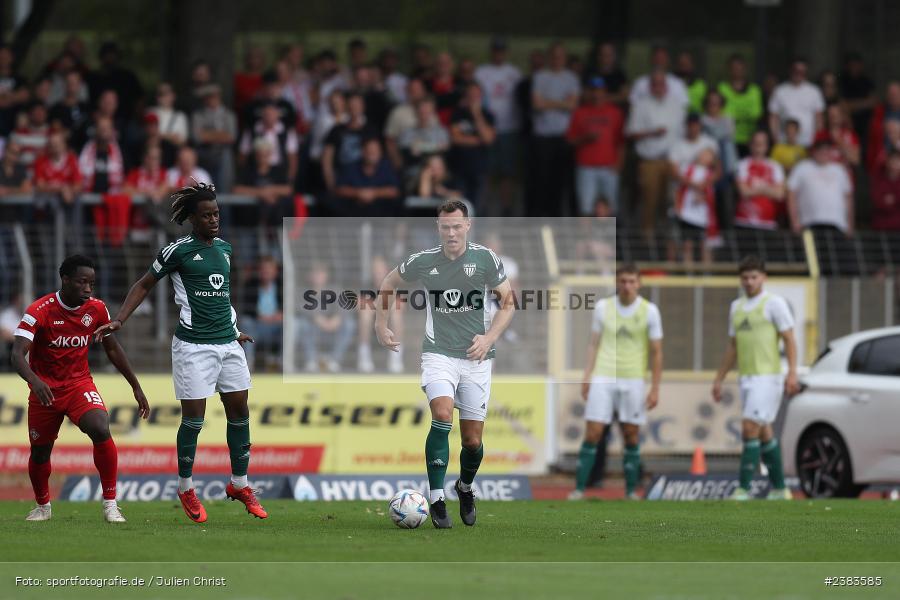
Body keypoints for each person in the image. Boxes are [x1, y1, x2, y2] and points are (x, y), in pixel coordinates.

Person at [94, 182, 265, 523]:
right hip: (193, 347)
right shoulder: (176, 251)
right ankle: (186, 487)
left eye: (216, 213)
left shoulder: (225, 249)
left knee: (240, 412)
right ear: (192, 219)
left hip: (228, 343)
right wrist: (120, 319)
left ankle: (239, 484)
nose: (214, 219)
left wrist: (234, 330)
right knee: (194, 420)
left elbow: (222, 297)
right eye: (207, 215)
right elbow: (143, 284)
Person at [375, 200, 515, 528]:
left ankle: (464, 487)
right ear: (438, 228)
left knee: (472, 442)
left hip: (476, 357)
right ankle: (437, 498)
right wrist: (380, 325)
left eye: (456, 226)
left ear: (468, 226)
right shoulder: (424, 261)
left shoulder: (485, 258)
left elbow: (508, 303)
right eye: (445, 227)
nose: (451, 233)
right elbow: (388, 283)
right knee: (441, 414)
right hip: (438, 354)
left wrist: (489, 338)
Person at [12, 255, 149, 523]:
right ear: (65, 280)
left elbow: (112, 348)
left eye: (92, 284)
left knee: (100, 427)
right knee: (40, 452)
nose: (88, 289)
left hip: (78, 385)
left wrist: (135, 385)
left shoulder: (96, 309)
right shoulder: (39, 310)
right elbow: (17, 355)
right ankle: (42, 507)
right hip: (45, 391)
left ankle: (111, 504)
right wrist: (35, 381)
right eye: (82, 282)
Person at [569, 264, 662, 501]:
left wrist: (655, 388)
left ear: (639, 283)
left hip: (633, 379)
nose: (627, 286)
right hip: (604, 376)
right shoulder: (603, 307)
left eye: (631, 281)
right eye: (623, 281)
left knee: (631, 434)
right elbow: (593, 343)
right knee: (593, 432)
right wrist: (587, 375)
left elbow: (657, 352)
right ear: (617, 283)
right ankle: (579, 489)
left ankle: (630, 491)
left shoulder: (649, 311)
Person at [712, 256, 798, 500]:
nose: (749, 282)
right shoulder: (736, 307)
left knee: (749, 427)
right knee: (764, 432)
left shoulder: (774, 304)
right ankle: (780, 489)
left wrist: (792, 372)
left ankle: (744, 488)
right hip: (747, 378)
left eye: (754, 277)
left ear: (763, 278)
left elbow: (789, 338)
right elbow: (733, 346)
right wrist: (719, 378)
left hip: (767, 377)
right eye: (745, 278)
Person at [626, 69, 687, 233]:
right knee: (649, 201)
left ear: (666, 86)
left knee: (670, 202)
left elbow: (683, 133)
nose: (659, 87)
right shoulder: (640, 105)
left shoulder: (676, 105)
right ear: (650, 86)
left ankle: (668, 239)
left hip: (672, 161)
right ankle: (647, 239)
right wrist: (652, 133)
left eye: (662, 84)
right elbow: (631, 133)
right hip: (650, 161)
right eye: (655, 84)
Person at [531, 42, 580, 216]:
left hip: (563, 136)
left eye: (560, 56)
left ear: (565, 58)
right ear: (549, 57)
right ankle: (542, 217)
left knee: (561, 181)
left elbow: (573, 105)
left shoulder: (572, 78)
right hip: (543, 136)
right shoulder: (540, 76)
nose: (557, 59)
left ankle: (558, 217)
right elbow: (537, 104)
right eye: (554, 56)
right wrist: (562, 102)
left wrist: (547, 102)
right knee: (542, 180)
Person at [565, 76, 624, 216]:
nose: (596, 94)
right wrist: (585, 138)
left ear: (605, 92)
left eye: (599, 90)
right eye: (593, 90)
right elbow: (570, 140)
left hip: (609, 167)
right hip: (586, 167)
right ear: (588, 92)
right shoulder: (579, 112)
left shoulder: (615, 112)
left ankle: (608, 231)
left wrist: (619, 164)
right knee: (586, 208)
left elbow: (621, 141)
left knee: (609, 207)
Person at [475, 37, 522, 213]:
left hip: (510, 128)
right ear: (491, 52)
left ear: (506, 53)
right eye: (496, 50)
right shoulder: (481, 72)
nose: (498, 54)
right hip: (487, 128)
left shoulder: (514, 73)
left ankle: (506, 208)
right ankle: (484, 207)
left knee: (507, 172)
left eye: (501, 51)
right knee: (486, 171)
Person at [786, 140, 854, 236]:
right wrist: (794, 222)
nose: (823, 152)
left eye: (827, 149)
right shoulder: (801, 168)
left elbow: (848, 198)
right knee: (810, 246)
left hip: (837, 224)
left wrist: (850, 224)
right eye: (820, 149)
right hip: (808, 223)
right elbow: (791, 194)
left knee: (835, 246)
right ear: (814, 151)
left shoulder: (839, 170)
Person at [298, 261, 355, 373]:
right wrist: (316, 318)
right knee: (302, 324)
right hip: (313, 329)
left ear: (326, 275)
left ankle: (334, 360)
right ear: (310, 275)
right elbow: (299, 308)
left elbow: (346, 306)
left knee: (349, 324)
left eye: (321, 272)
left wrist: (337, 318)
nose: (319, 276)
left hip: (333, 329)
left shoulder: (335, 290)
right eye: (316, 272)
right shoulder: (303, 292)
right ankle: (311, 360)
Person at [448, 82, 496, 212]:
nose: (473, 98)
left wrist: (477, 115)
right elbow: (455, 138)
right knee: (460, 208)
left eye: (476, 95)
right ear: (466, 96)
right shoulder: (458, 114)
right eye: (471, 95)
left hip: (481, 169)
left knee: (479, 207)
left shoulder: (488, 115)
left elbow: (488, 139)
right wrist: (478, 140)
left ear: (481, 97)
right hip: (459, 168)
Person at [670, 147, 718, 264]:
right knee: (687, 245)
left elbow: (712, 194)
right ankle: (689, 272)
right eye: (703, 154)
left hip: (703, 217)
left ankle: (706, 273)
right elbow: (677, 188)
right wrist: (677, 206)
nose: (704, 157)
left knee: (705, 247)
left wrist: (703, 198)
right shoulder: (687, 169)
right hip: (687, 215)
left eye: (708, 155)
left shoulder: (711, 175)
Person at [333, 137, 401, 217]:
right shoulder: (350, 167)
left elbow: (395, 191)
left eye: (375, 151)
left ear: (381, 152)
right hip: (354, 211)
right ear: (363, 151)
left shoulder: (386, 167)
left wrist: (374, 193)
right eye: (370, 151)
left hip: (381, 213)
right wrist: (358, 193)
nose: (372, 154)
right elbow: (339, 189)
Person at [734, 131, 786, 232]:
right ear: (750, 145)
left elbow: (780, 194)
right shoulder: (742, 164)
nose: (758, 146)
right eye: (756, 142)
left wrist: (755, 189)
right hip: (744, 221)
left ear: (767, 146)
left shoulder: (775, 166)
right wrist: (768, 189)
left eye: (762, 143)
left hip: (768, 222)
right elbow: (744, 192)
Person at [768, 58, 825, 148]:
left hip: (808, 142)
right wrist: (775, 138)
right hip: (784, 142)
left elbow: (819, 118)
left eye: (802, 71)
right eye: (796, 70)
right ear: (790, 71)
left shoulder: (814, 91)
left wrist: (818, 140)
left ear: (806, 72)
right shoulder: (779, 91)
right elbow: (774, 117)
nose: (799, 73)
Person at [191, 84, 237, 192]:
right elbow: (197, 137)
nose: (209, 99)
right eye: (207, 97)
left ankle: (224, 198)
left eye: (212, 96)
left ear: (218, 96)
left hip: (222, 153)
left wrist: (207, 134)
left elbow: (231, 137)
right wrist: (221, 134)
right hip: (204, 152)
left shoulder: (229, 115)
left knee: (226, 158)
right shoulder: (198, 115)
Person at [718, 54, 763, 156]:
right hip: (727, 139)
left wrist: (734, 115)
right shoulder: (722, 88)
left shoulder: (755, 90)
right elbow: (722, 114)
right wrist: (745, 112)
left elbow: (756, 113)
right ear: (729, 70)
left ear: (745, 69)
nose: (737, 71)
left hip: (750, 140)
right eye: (734, 68)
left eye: (740, 68)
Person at [149, 83, 189, 147]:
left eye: (167, 93)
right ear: (157, 97)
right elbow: (149, 135)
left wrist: (160, 135)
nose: (165, 97)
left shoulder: (180, 116)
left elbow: (182, 141)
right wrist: (171, 136)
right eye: (161, 94)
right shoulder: (150, 112)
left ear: (173, 96)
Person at [870, 150, 900, 231]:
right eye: (893, 160)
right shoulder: (879, 178)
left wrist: (893, 200)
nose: (895, 164)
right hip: (881, 226)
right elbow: (877, 201)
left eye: (898, 161)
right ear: (887, 161)